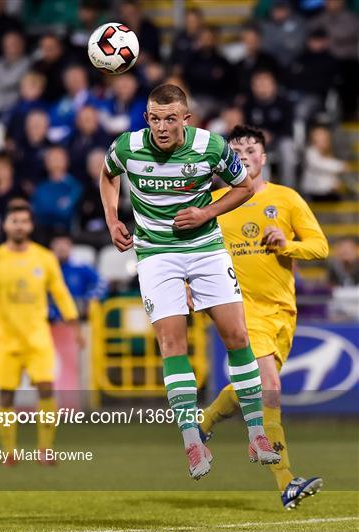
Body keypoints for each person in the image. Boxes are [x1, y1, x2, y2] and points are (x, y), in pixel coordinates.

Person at [100, 84, 280, 481]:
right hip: (155, 254)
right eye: (154, 118)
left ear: (186, 119)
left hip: (205, 248)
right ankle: (192, 442)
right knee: (172, 344)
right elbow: (108, 174)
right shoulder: (127, 147)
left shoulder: (211, 147)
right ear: (146, 117)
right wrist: (113, 218)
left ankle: (256, 435)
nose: (161, 127)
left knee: (237, 337)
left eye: (169, 119)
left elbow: (245, 186)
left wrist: (206, 213)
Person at [196, 125, 328, 508]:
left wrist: (288, 245)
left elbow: (319, 246)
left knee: (252, 388)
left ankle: (204, 421)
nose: (243, 155)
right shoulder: (215, 203)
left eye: (250, 149)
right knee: (270, 385)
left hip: (283, 311)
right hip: (240, 308)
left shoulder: (286, 199)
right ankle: (286, 481)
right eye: (235, 150)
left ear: (263, 157)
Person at [0, 204, 82, 466]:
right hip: (5, 339)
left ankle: (45, 449)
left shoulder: (44, 258)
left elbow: (60, 292)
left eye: (24, 221)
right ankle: (9, 451)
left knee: (46, 389)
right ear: (5, 225)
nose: (19, 225)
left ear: (31, 226)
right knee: (6, 395)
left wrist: (74, 325)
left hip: (38, 338)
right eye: (14, 221)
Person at [49, 234, 108, 319]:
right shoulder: (45, 268)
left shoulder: (81, 267)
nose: (61, 248)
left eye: (65, 244)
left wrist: (91, 298)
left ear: (71, 247)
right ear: (52, 248)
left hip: (79, 316)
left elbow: (102, 283)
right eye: (58, 244)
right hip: (52, 319)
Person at [32, 145, 82, 240]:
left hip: (67, 235)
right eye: (52, 158)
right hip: (44, 233)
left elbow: (66, 213)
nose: (56, 162)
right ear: (46, 163)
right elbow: (40, 213)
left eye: (59, 158)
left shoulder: (75, 186)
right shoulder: (41, 187)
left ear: (67, 161)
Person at [0, 31, 30, 112]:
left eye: (15, 43)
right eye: (8, 43)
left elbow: (13, 82)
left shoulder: (27, 63)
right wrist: (1, 87)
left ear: (22, 44)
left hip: (15, 106)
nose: (11, 46)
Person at [301, 124, 348, 200]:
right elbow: (319, 165)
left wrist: (335, 183)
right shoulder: (310, 152)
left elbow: (330, 173)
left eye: (324, 138)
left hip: (327, 191)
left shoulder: (328, 153)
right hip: (314, 192)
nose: (322, 140)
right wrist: (340, 166)